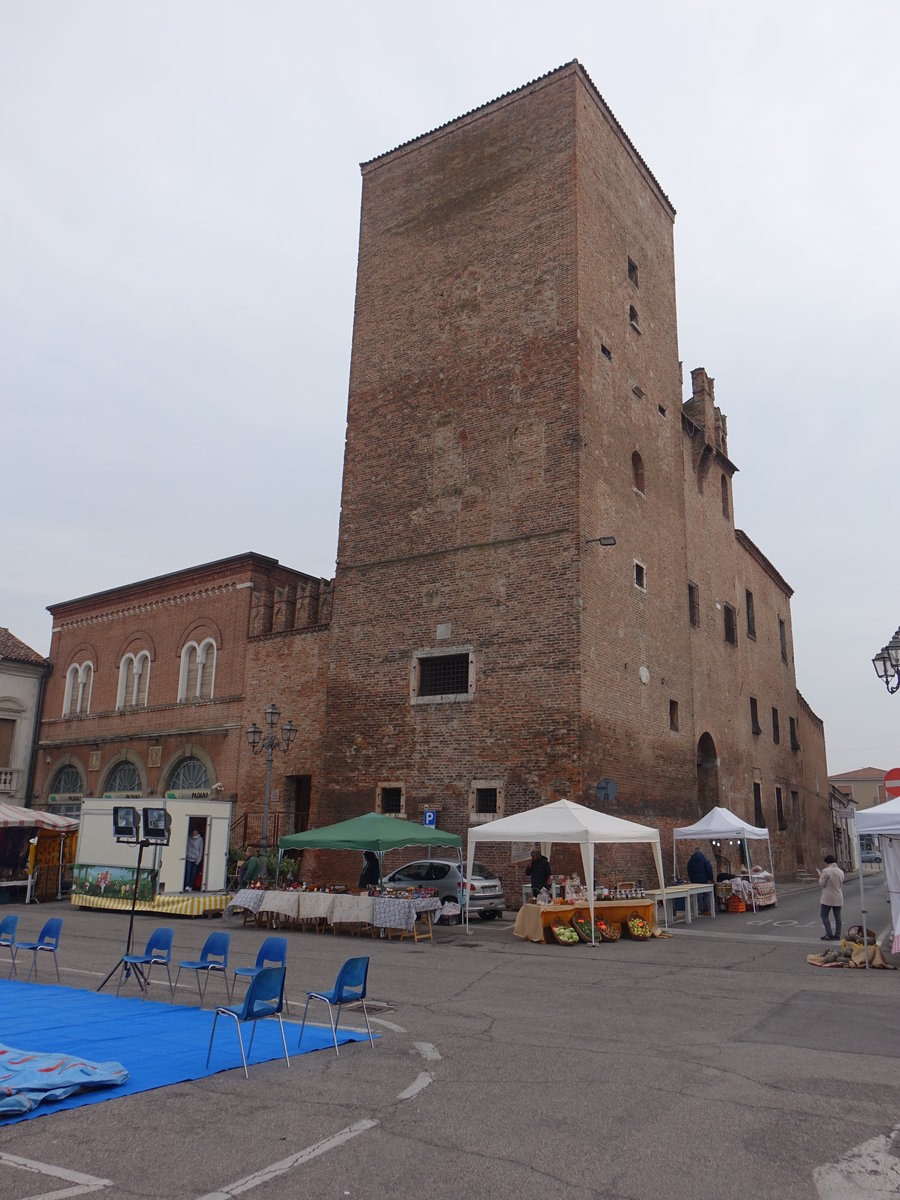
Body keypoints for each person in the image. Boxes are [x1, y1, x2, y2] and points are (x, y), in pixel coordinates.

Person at [817, 853, 844, 941]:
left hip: (828, 897)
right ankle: (837, 935)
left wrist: (820, 876)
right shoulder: (841, 871)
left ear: (828, 863)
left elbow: (822, 884)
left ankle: (829, 934)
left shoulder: (826, 871)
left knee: (824, 915)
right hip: (838, 896)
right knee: (838, 917)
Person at [686, 847, 715, 914]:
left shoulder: (691, 860)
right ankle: (707, 909)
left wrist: (691, 879)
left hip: (695, 881)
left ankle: (701, 909)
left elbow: (689, 870)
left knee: (698, 894)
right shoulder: (705, 859)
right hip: (704, 879)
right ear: (701, 851)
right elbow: (709, 869)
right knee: (706, 894)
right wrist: (710, 878)